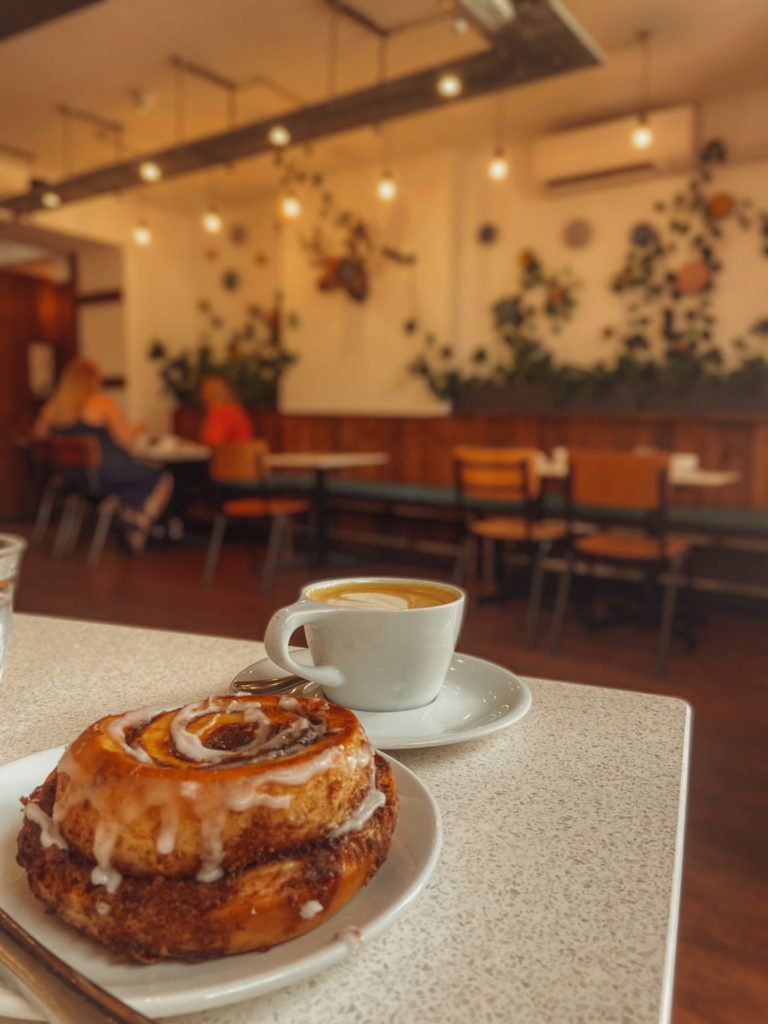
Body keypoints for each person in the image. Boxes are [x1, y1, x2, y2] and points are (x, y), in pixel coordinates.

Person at [33, 358, 173, 554]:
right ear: (91, 380)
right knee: (160, 475)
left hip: (69, 476)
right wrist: (139, 427)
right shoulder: (101, 404)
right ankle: (140, 522)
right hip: (102, 474)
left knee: (135, 476)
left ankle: (131, 522)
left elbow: (39, 439)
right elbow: (125, 440)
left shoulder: (52, 407)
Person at [198, 375, 254, 445]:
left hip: (229, 454)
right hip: (238, 453)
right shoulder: (235, 410)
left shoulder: (222, 412)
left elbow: (212, 442)